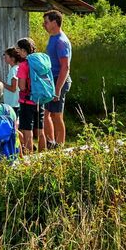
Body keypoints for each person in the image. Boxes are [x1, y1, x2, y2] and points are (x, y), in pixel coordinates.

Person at [42, 10, 72, 148]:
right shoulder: (53, 36)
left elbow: (65, 67)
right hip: (51, 80)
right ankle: (51, 143)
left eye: (47, 22)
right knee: (46, 113)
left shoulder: (61, 41)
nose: (44, 25)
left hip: (59, 80)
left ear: (54, 23)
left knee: (56, 115)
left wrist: (58, 89)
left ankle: (60, 147)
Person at [15, 37, 46, 154]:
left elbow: (22, 87)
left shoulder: (24, 65)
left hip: (27, 101)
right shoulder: (40, 61)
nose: (17, 51)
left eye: (18, 49)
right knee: (40, 129)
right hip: (40, 100)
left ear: (23, 50)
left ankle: (29, 156)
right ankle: (44, 155)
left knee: (28, 129)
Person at [2, 47, 22, 153]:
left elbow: (13, 88)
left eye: (6, 55)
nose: (4, 57)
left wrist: (1, 83)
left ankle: (17, 148)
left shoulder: (14, 70)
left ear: (12, 58)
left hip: (12, 104)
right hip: (14, 103)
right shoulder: (15, 68)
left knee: (13, 128)